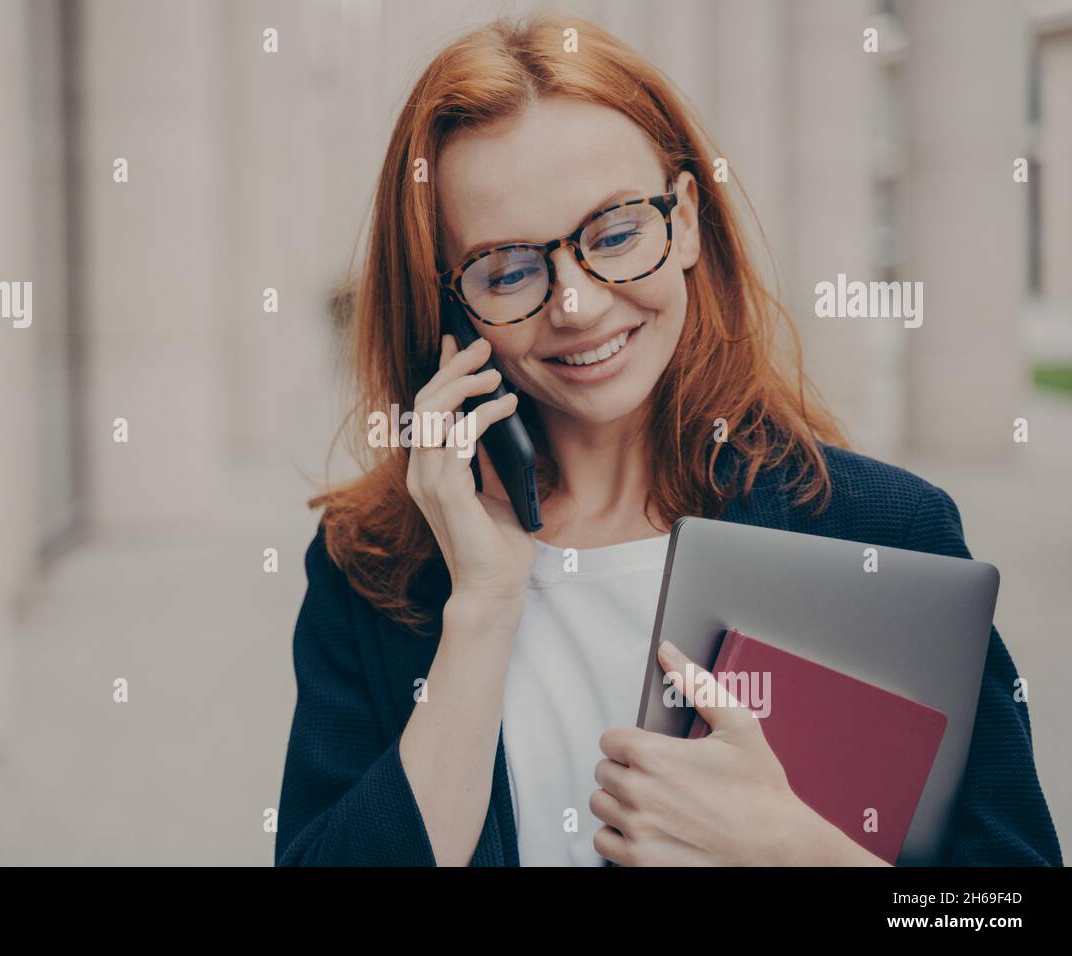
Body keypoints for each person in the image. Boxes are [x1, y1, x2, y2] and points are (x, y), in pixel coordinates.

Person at [275, 14, 1061, 867]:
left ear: (684, 220)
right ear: (451, 305)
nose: (576, 305)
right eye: (507, 269)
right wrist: (482, 611)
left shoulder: (884, 529)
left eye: (614, 234)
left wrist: (794, 851)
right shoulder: (372, 566)